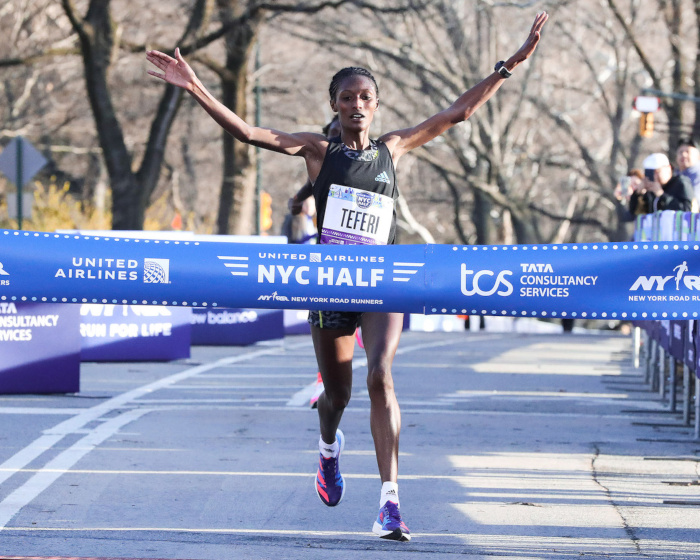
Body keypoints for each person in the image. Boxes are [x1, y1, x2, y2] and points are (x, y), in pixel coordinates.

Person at [146, 11, 548, 541]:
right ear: (334, 105)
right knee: (338, 397)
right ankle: (329, 448)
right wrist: (193, 84)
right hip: (332, 287)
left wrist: (509, 65)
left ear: (376, 106)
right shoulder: (318, 152)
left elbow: (458, 112)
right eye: (347, 97)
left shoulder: (393, 148)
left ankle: (389, 502)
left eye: (365, 97)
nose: (356, 105)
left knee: (381, 376)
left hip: (383, 283)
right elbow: (247, 132)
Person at [629, 153, 693, 215]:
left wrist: (661, 195)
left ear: (668, 168)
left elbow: (686, 210)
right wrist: (638, 194)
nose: (654, 176)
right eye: (651, 173)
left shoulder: (681, 183)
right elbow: (636, 212)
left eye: (657, 172)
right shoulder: (651, 190)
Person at [675, 137, 700, 210]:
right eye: (681, 152)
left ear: (698, 156)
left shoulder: (698, 173)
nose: (684, 155)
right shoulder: (675, 173)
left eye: (687, 152)